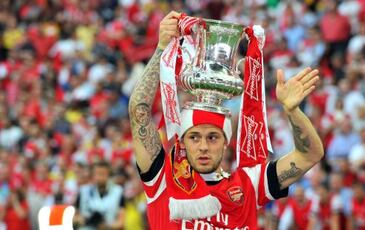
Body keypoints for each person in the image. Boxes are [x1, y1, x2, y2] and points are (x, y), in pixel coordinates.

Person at [129, 11, 324, 229]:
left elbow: (310, 155)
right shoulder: (163, 179)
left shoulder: (249, 184)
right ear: (182, 142)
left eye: (213, 137)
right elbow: (140, 111)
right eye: (194, 137)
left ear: (225, 142)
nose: (203, 146)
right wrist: (162, 48)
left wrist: (293, 111)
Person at [73, 161, 125, 230]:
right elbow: (74, 217)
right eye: (97, 173)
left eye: (103, 173)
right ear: (93, 175)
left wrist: (106, 226)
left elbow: (121, 222)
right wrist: (82, 220)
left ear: (109, 174)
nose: (100, 177)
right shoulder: (83, 191)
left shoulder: (118, 192)